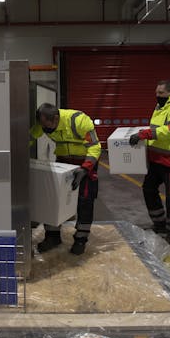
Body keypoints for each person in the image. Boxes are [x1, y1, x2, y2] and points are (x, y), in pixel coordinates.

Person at [30, 103, 101, 255]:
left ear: (56, 118)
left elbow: (95, 146)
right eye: (42, 125)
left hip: (85, 164)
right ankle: (53, 237)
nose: (44, 129)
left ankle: (81, 239)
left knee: (85, 201)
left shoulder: (80, 120)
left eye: (47, 125)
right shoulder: (42, 123)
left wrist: (85, 168)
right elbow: (31, 137)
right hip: (63, 163)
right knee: (53, 199)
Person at [129, 81, 170, 246]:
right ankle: (160, 224)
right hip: (156, 160)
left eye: (161, 93)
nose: (157, 96)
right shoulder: (159, 108)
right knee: (148, 189)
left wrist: (145, 134)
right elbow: (155, 129)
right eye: (156, 93)